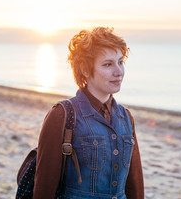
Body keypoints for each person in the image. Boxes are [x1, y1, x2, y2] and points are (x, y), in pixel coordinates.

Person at [33, 27, 144, 199]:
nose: (118, 71)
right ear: (85, 69)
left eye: (120, 62)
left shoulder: (126, 117)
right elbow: (43, 189)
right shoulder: (62, 115)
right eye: (108, 64)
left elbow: (135, 186)